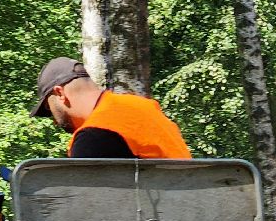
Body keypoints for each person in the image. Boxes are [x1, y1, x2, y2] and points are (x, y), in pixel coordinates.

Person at [30, 56, 191, 159]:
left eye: (50, 110)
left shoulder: (93, 137)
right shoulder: (143, 107)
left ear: (60, 94)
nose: (55, 122)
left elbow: (82, 207)